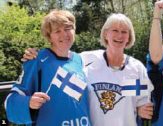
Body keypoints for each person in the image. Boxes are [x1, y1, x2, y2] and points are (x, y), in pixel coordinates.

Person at [21, 13, 153, 126]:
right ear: (106, 34)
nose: (119, 35)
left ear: (129, 37)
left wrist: (142, 109)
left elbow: (142, 102)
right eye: (115, 30)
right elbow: (61, 58)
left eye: (124, 32)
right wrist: (34, 56)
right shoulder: (84, 59)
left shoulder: (136, 68)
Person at [4, 10, 90, 125]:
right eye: (57, 31)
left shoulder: (79, 60)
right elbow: (10, 102)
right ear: (49, 37)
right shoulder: (36, 61)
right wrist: (28, 102)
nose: (64, 34)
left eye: (67, 28)